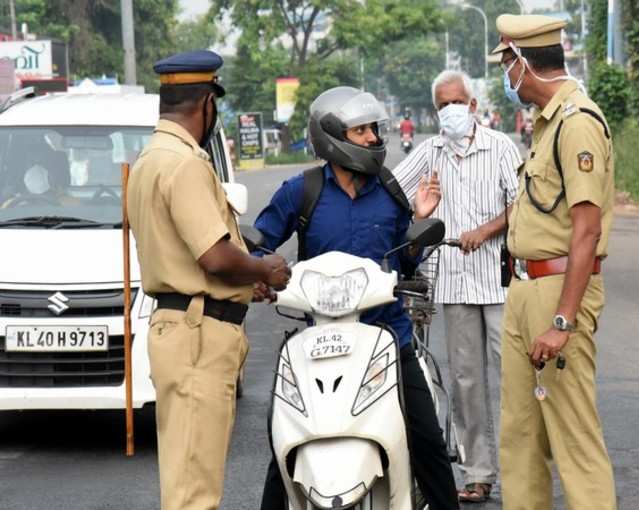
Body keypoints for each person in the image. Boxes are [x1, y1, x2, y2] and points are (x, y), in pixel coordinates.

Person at [254, 86, 460, 510]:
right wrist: (259, 275)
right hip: (321, 339)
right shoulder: (302, 191)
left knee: (428, 443)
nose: (373, 139)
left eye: (373, 129)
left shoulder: (390, 191)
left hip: (388, 337)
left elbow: (406, 264)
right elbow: (260, 246)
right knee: (284, 438)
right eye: (361, 130)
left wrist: (420, 221)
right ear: (332, 137)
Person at [126, 50, 290, 510]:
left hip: (180, 327)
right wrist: (264, 269)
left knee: (185, 482)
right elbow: (213, 256)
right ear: (206, 104)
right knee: (194, 494)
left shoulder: (150, 159)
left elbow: (186, 256)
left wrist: (243, 285)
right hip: (197, 337)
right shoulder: (185, 163)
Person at [492, 14, 617, 509]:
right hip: (526, 291)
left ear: (524, 64)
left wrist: (563, 320)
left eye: (507, 64)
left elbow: (586, 230)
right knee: (519, 436)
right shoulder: (547, 127)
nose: (506, 77)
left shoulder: (578, 124)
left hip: (558, 294)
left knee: (574, 437)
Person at [393, 70, 521, 503]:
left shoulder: (500, 146)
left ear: (473, 105)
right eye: (442, 104)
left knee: (510, 376)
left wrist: (485, 231)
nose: (451, 110)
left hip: (499, 280)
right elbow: (391, 188)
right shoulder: (429, 152)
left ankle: (518, 470)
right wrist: (416, 210)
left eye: (457, 102)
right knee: (466, 380)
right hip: (452, 280)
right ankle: (477, 473)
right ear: (436, 111)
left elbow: (520, 205)